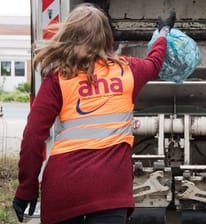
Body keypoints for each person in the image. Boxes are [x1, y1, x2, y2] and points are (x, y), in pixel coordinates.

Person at [12, 3, 176, 224]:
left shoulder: (58, 78)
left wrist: (26, 188)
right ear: (106, 37)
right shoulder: (128, 71)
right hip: (110, 190)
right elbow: (154, 62)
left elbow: (33, 136)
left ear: (69, 35)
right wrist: (163, 33)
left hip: (63, 190)